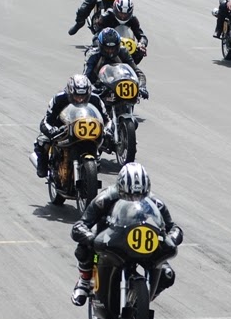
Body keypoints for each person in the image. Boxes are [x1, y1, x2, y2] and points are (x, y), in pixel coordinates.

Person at [69, 162, 184, 306]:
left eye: (139, 195)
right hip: (111, 239)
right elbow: (80, 225)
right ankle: (84, 281)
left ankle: (141, 303)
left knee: (167, 275)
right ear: (120, 188)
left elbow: (174, 227)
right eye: (129, 195)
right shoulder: (104, 199)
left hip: (142, 242)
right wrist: (91, 238)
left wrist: (171, 239)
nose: (134, 199)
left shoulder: (156, 203)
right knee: (84, 249)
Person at [32, 74, 107, 178]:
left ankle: (94, 160)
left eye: (83, 96)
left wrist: (107, 130)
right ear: (70, 93)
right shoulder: (58, 99)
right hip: (62, 129)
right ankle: (43, 167)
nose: (80, 99)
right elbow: (46, 121)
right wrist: (52, 130)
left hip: (87, 129)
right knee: (42, 141)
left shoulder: (96, 99)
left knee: (106, 139)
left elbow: (107, 120)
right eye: (77, 96)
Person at [83, 28, 148, 99]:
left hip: (118, 87)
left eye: (113, 48)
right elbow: (85, 77)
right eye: (107, 48)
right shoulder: (93, 54)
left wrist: (142, 87)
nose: (110, 51)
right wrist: (93, 89)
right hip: (99, 88)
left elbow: (138, 72)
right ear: (101, 46)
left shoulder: (123, 52)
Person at [93, 0, 148, 64]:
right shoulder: (106, 17)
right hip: (108, 47)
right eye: (120, 13)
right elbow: (97, 34)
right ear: (115, 9)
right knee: (95, 55)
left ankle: (133, 68)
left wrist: (141, 44)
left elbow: (142, 36)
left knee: (140, 52)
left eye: (125, 14)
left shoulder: (133, 20)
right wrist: (98, 44)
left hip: (126, 49)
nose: (122, 16)